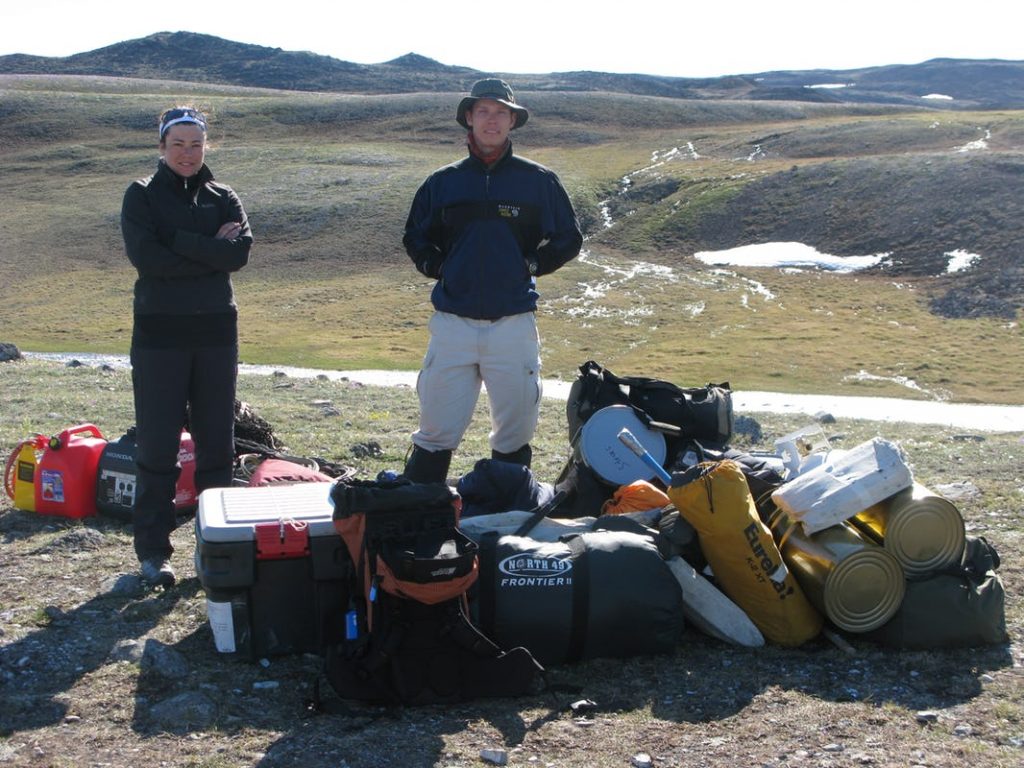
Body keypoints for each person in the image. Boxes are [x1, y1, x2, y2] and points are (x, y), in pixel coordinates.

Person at [402, 78, 583, 483]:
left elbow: (569, 238)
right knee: (434, 434)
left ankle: (507, 524)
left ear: (513, 121)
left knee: (514, 434)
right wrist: (437, 267)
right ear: (468, 117)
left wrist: (533, 265)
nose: (492, 120)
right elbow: (415, 236)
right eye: (483, 110)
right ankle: (416, 519)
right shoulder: (442, 183)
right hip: (452, 325)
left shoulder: (538, 181)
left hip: (513, 325)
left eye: (501, 112)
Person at [120, 106, 253, 585]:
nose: (187, 153)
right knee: (157, 448)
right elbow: (148, 259)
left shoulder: (224, 196)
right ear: (161, 146)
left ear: (206, 147)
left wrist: (178, 242)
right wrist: (206, 247)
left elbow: (237, 256)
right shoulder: (141, 196)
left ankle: (215, 545)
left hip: (216, 332)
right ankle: (153, 553)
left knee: (217, 445)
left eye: (195, 144)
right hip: (159, 336)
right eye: (177, 143)